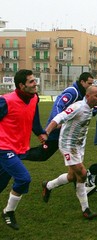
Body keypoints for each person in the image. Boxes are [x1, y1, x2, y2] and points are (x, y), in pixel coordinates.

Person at [41, 86, 97, 220]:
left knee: (72, 177)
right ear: (87, 96)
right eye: (96, 96)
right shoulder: (78, 106)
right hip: (68, 145)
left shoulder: (90, 108)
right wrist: (47, 132)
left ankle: (48, 185)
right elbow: (60, 117)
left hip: (79, 146)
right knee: (83, 174)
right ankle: (86, 209)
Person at [0, 69, 47, 230]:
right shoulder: (5, 101)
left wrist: (40, 132)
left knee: (1, 183)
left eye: (35, 80)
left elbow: (34, 121)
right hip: (4, 147)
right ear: (21, 85)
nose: (35, 84)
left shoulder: (34, 98)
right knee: (24, 178)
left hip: (19, 148)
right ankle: (8, 212)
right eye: (31, 82)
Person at [24, 72, 94, 162]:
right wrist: (58, 121)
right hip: (57, 129)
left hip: (69, 132)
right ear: (82, 82)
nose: (91, 86)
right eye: (89, 83)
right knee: (43, 154)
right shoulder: (73, 92)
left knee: (74, 160)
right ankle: (16, 155)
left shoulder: (83, 94)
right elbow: (58, 104)